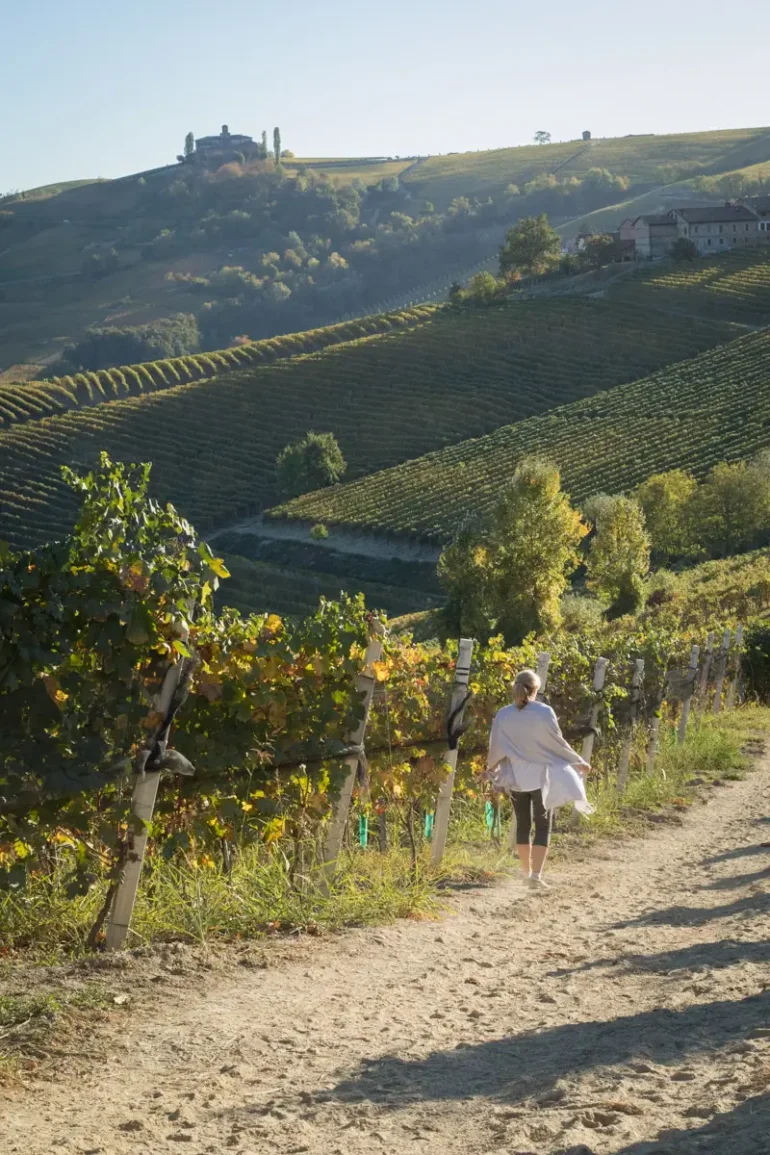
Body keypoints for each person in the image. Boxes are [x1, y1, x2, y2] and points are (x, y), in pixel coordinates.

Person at [487, 668, 592, 888]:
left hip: (516, 779)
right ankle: (535, 876)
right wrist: (577, 761)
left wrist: (490, 770)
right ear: (536, 689)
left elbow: (496, 747)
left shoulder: (503, 714)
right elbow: (557, 743)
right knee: (543, 826)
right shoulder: (544, 712)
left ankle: (526, 874)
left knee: (523, 825)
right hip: (542, 779)